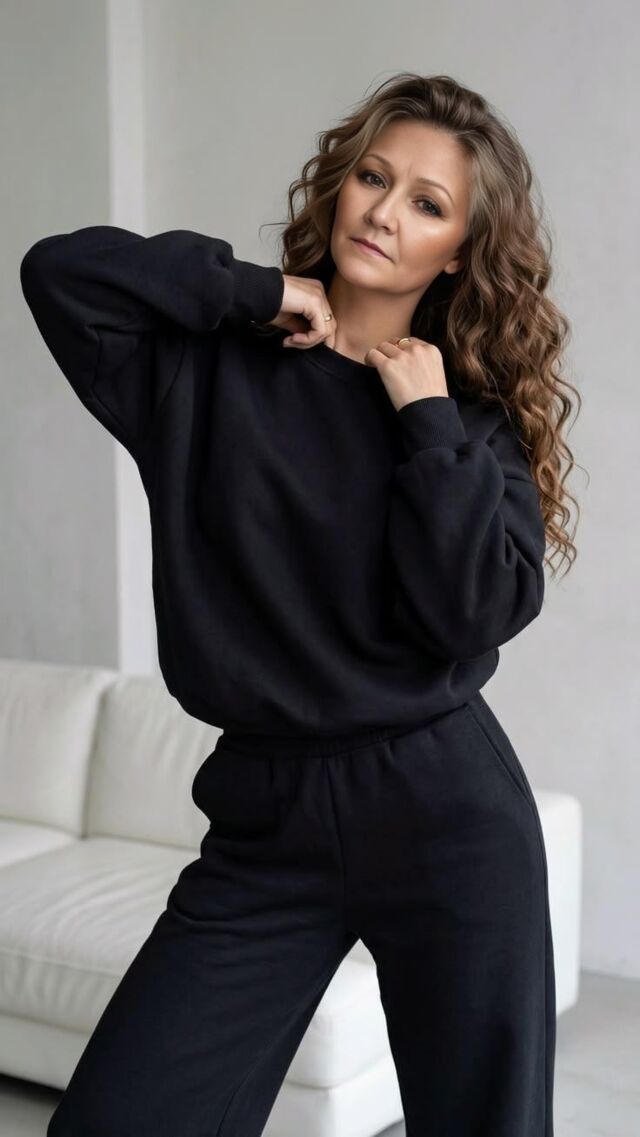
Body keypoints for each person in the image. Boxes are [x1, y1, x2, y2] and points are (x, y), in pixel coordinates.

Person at [20, 72, 579, 1137]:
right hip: (266, 820)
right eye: (373, 177)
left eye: (427, 203)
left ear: (456, 252)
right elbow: (60, 273)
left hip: (445, 812)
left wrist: (426, 425)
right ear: (340, 186)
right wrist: (255, 292)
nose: (385, 211)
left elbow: (473, 614)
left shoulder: (466, 427)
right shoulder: (203, 372)